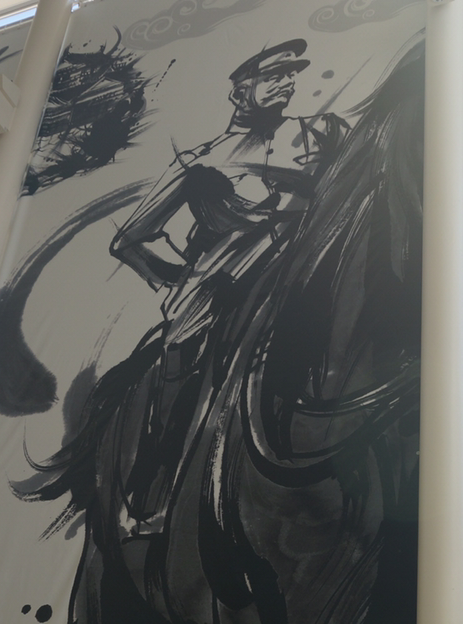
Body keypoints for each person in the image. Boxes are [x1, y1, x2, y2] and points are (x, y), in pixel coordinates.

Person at [100, 39, 349, 530]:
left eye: (291, 75)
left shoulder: (322, 131)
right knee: (181, 344)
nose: (286, 83)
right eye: (272, 76)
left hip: (313, 259)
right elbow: (130, 239)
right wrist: (181, 279)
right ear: (239, 90)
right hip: (226, 278)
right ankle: (161, 475)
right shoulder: (202, 161)